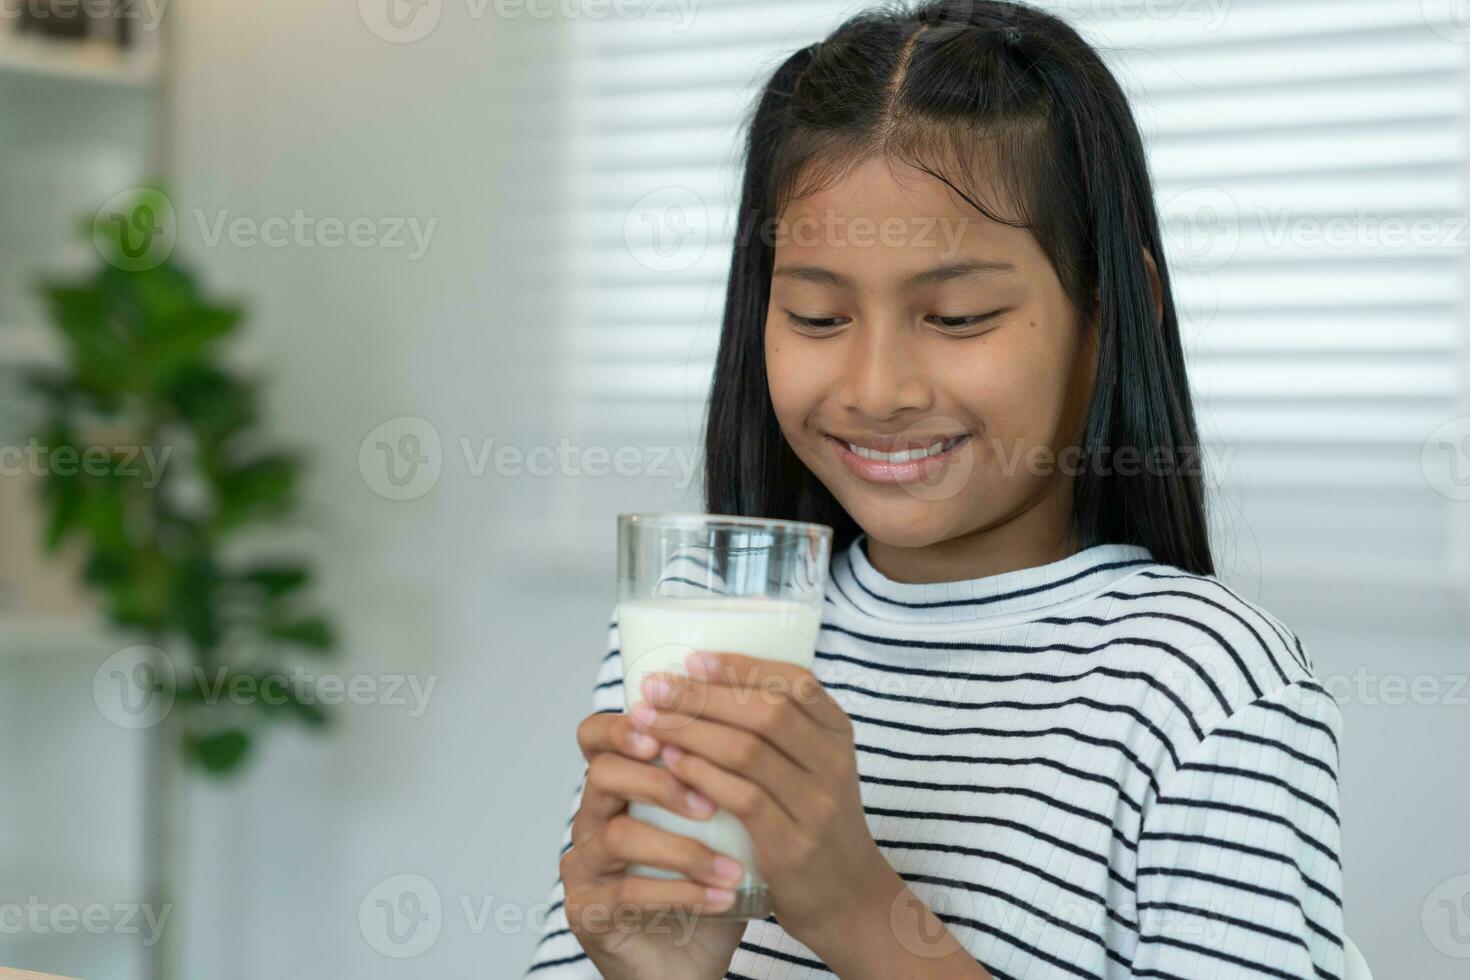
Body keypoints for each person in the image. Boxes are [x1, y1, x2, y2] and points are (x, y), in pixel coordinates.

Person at [525, 1, 1344, 976]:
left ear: (1113, 313)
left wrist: (862, 912)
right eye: (819, 315)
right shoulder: (702, 622)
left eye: (956, 316)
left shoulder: (1200, 687)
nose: (877, 390)